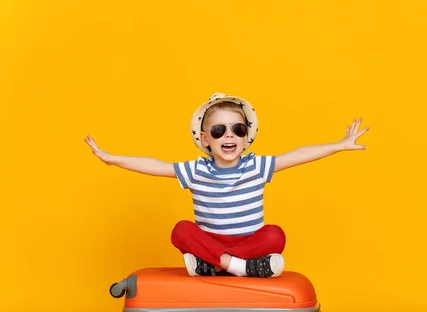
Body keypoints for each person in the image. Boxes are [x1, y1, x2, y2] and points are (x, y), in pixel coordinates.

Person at [85, 92, 369, 278]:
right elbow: (155, 165)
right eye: (219, 131)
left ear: (247, 136)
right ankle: (241, 269)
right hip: (211, 242)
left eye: (238, 129)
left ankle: (215, 267)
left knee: (275, 236)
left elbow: (297, 155)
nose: (229, 136)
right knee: (181, 230)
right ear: (205, 138)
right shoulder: (196, 170)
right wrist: (113, 159)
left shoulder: (256, 166)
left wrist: (339, 145)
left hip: (247, 243)